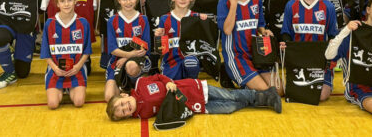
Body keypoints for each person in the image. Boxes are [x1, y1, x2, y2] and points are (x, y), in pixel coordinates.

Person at [106, 74, 281, 120]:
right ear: (127, 116)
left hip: (192, 89)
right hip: (191, 107)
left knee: (229, 95)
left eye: (122, 104)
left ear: (123, 95)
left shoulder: (140, 84)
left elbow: (159, 76)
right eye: (123, 112)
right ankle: (258, 100)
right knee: (229, 107)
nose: (126, 107)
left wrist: (168, 83)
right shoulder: (141, 115)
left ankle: (266, 96)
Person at [281, 0, 338, 101]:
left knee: (321, 96)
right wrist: (285, 44)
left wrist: (333, 44)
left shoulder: (328, 6)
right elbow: (286, 32)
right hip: (298, 60)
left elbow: (333, 34)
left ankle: (328, 78)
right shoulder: (291, 4)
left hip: (320, 61)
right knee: (288, 92)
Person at [217, 0, 276, 91]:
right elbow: (227, 30)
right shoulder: (224, 1)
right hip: (236, 56)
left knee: (278, 90)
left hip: (256, 54)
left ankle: (246, 83)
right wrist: (234, 5)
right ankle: (228, 69)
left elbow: (260, 24)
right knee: (265, 91)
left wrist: (264, 31)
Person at [40, 0, 92, 109]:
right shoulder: (50, 23)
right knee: (52, 104)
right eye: (62, 1)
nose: (66, 4)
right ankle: (61, 88)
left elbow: (87, 51)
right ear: (57, 3)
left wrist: (78, 67)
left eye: (69, 0)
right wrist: (55, 68)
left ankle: (70, 88)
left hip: (76, 69)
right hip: (56, 70)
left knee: (79, 102)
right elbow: (46, 53)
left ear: (75, 0)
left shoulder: (83, 23)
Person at [104, 0, 151, 102]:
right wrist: (128, 55)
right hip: (117, 61)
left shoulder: (143, 19)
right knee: (109, 97)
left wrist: (127, 57)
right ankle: (124, 88)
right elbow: (112, 49)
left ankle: (133, 87)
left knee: (131, 66)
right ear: (118, 0)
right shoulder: (112, 20)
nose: (128, 2)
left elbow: (145, 48)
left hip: (137, 60)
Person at [155, 0, 207, 80]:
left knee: (191, 62)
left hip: (190, 60)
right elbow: (160, 51)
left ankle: (191, 83)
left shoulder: (196, 17)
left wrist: (205, 23)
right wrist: (158, 37)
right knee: (170, 87)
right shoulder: (164, 19)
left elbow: (203, 45)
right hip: (170, 62)